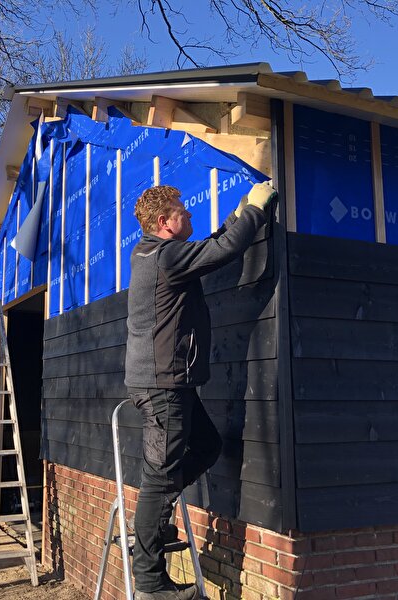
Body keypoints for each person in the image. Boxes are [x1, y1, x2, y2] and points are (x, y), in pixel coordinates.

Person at [124, 181, 277, 600]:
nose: (189, 213)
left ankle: (152, 522)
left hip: (169, 381)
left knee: (206, 447)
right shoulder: (165, 257)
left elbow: (211, 245)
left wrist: (238, 212)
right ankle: (150, 584)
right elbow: (223, 251)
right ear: (164, 222)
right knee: (159, 478)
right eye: (182, 210)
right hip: (163, 385)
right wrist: (256, 211)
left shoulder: (154, 253)